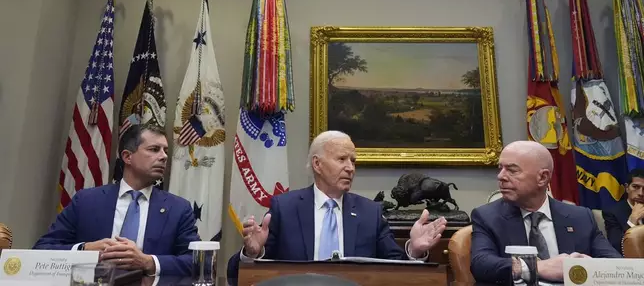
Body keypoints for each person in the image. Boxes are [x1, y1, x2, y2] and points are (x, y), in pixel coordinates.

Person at [227, 131, 447, 285]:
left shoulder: (370, 212)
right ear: (317, 164)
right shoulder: (285, 208)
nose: (350, 168)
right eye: (342, 159)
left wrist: (415, 251)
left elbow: (395, 270)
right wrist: (252, 253)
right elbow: (236, 276)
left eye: (353, 161)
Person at [34, 124, 200, 276]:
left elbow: (198, 262)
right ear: (127, 157)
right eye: (154, 149)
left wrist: (148, 262)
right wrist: (85, 248)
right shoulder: (86, 201)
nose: (163, 157)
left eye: (165, 151)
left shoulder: (178, 208)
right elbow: (42, 249)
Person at [470, 140, 620, 284]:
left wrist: (590, 265)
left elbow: (615, 264)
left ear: (542, 177)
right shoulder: (487, 216)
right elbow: (481, 264)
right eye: (500, 168)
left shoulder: (580, 217)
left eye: (512, 170)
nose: (501, 176)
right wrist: (537, 267)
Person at [602, 168, 644, 253]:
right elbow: (616, 247)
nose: (641, 193)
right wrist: (632, 221)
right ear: (627, 188)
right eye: (636, 187)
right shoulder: (612, 212)